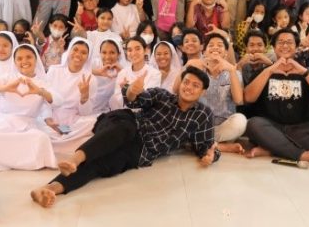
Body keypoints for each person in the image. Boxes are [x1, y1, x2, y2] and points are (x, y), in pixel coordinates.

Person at [29, 66, 219, 208]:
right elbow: (134, 100)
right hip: (126, 122)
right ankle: (75, 159)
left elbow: (206, 146)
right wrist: (132, 91)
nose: (188, 87)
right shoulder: (162, 95)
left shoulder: (202, 115)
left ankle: (50, 189)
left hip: (141, 150)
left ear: (203, 91)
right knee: (124, 130)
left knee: (104, 164)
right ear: (180, 83)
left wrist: (210, 156)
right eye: (186, 82)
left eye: (195, 85)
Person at [243, 29, 309, 165]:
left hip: (298, 128)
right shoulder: (264, 72)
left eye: (289, 42)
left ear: (296, 47)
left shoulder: (305, 72)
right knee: (253, 124)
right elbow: (248, 98)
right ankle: (300, 155)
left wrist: (303, 71)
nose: (285, 45)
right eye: (281, 42)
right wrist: (270, 70)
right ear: (273, 47)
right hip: (270, 126)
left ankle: (272, 148)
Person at [0, 44, 59, 171]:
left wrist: (40, 91)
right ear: (15, 62)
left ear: (36, 60)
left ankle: (3, 159)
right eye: (19, 58)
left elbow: (58, 100)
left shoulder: (43, 83)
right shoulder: (7, 78)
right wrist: (5, 88)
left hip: (27, 126)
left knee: (41, 139)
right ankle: (14, 161)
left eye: (28, 57)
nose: (24, 61)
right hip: (3, 123)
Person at [188, 35, 246, 152]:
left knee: (240, 121)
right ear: (204, 52)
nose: (215, 48)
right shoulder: (197, 71)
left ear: (226, 53)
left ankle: (202, 141)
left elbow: (238, 100)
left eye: (220, 45)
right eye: (211, 45)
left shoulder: (234, 72)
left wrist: (232, 70)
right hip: (201, 123)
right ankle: (219, 145)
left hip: (224, 125)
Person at [43, 38, 101, 156]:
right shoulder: (54, 71)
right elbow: (44, 101)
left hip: (74, 121)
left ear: (88, 57)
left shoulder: (91, 79)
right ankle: (66, 142)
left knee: (93, 122)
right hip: (52, 116)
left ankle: (56, 142)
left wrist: (84, 97)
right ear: (69, 51)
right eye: (75, 50)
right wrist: (48, 119)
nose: (78, 54)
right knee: (36, 121)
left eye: (83, 52)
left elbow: (85, 113)